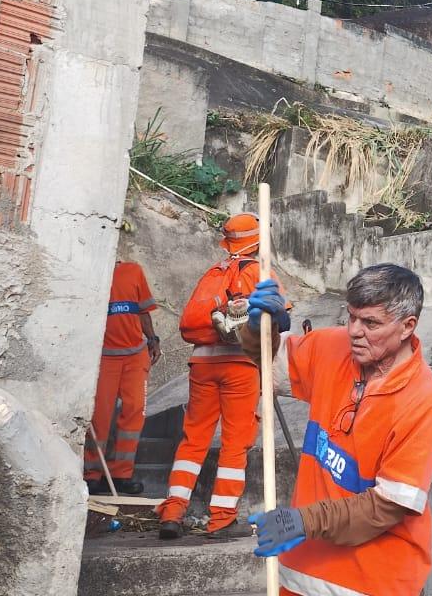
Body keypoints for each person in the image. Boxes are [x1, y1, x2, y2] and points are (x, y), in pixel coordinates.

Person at [243, 264, 432, 596]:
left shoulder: (424, 399)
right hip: (300, 573)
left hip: (373, 582)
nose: (355, 330)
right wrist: (258, 329)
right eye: (351, 316)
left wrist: (304, 521)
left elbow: (387, 506)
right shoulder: (332, 346)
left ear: (407, 326)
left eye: (371, 323)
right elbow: (268, 364)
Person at [156, 213, 289, 540]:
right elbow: (278, 320)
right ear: (259, 242)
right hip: (239, 367)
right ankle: (221, 517)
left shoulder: (214, 273)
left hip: (202, 365)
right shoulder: (258, 272)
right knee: (235, 443)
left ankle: (173, 511)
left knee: (193, 439)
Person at [85, 260, 161, 495]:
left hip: (135, 355)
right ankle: (91, 475)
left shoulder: (134, 270)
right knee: (99, 418)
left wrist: (152, 339)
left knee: (135, 412)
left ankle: (121, 475)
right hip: (104, 357)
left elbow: (143, 311)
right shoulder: (92, 270)